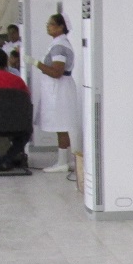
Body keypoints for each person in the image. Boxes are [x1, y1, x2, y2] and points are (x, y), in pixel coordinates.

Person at [32, 13, 79, 173]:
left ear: (61, 27)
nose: (48, 26)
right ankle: (66, 160)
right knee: (62, 125)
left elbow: (57, 72)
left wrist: (37, 64)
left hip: (59, 90)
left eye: (51, 24)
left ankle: (62, 162)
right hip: (59, 89)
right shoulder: (59, 43)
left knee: (61, 125)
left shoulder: (59, 46)